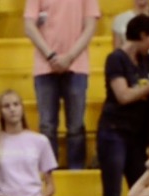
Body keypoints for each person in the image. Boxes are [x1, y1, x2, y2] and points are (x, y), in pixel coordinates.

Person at [99, 14, 149, 196]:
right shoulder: (116, 59)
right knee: (112, 195)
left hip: (136, 136)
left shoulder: (146, 60)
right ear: (142, 35)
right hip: (114, 132)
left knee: (141, 194)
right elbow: (123, 95)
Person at [22, 0, 98, 170]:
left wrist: (69, 56)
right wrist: (51, 56)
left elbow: (90, 27)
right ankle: (49, 171)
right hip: (45, 65)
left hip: (77, 64)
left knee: (76, 125)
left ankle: (76, 171)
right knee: (47, 125)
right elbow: (29, 26)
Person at [0, 89, 58, 196]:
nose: (12, 109)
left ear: (22, 108)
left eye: (16, 104)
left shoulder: (40, 141)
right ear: (0, 112)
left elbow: (50, 185)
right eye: (6, 106)